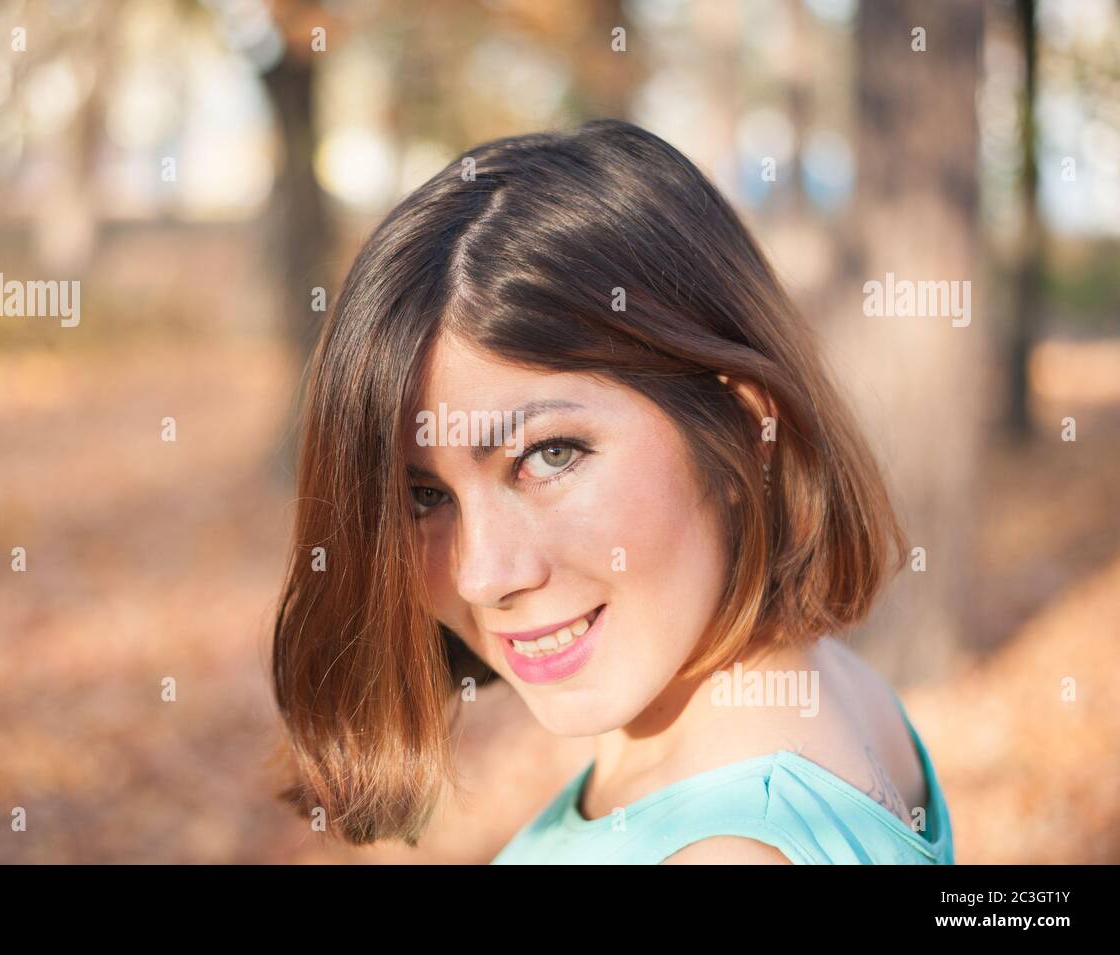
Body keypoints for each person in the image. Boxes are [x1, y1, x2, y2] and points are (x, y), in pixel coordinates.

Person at [271, 119, 954, 864]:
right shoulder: (832, 685)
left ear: (742, 428)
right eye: (424, 497)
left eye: (549, 454)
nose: (484, 574)